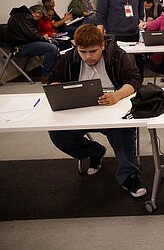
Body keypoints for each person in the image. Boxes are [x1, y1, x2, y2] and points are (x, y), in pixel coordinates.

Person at [47, 24, 146, 198]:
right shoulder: (70, 57)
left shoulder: (116, 55)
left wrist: (117, 95)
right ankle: (94, 152)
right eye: (83, 52)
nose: (88, 57)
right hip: (78, 110)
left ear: (102, 45)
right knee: (58, 134)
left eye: (93, 51)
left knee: (123, 132)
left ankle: (129, 175)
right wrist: (59, 93)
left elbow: (135, 79)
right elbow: (54, 80)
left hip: (112, 108)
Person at [96, 0, 145, 76]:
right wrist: (100, 34)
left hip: (133, 31)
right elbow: (100, 13)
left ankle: (139, 83)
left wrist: (140, 18)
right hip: (116, 35)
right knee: (120, 63)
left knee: (138, 62)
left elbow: (141, 2)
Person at [4, 5, 58, 84]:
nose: (38, 20)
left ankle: (52, 70)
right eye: (39, 17)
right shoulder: (25, 17)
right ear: (37, 13)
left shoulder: (20, 16)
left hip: (24, 43)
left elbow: (29, 34)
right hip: (19, 47)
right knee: (51, 48)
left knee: (54, 42)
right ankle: (46, 75)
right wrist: (43, 38)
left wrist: (43, 37)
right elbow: (32, 34)